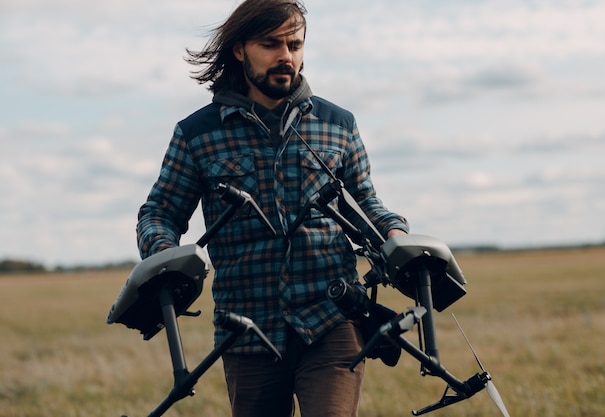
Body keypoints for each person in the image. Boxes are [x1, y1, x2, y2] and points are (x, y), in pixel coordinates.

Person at [136, 1, 409, 416]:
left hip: (332, 320)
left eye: (295, 45)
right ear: (240, 49)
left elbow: (365, 203)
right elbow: (159, 213)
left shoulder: (338, 124)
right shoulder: (198, 134)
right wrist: (164, 257)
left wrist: (396, 236)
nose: (286, 56)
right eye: (271, 44)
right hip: (245, 329)